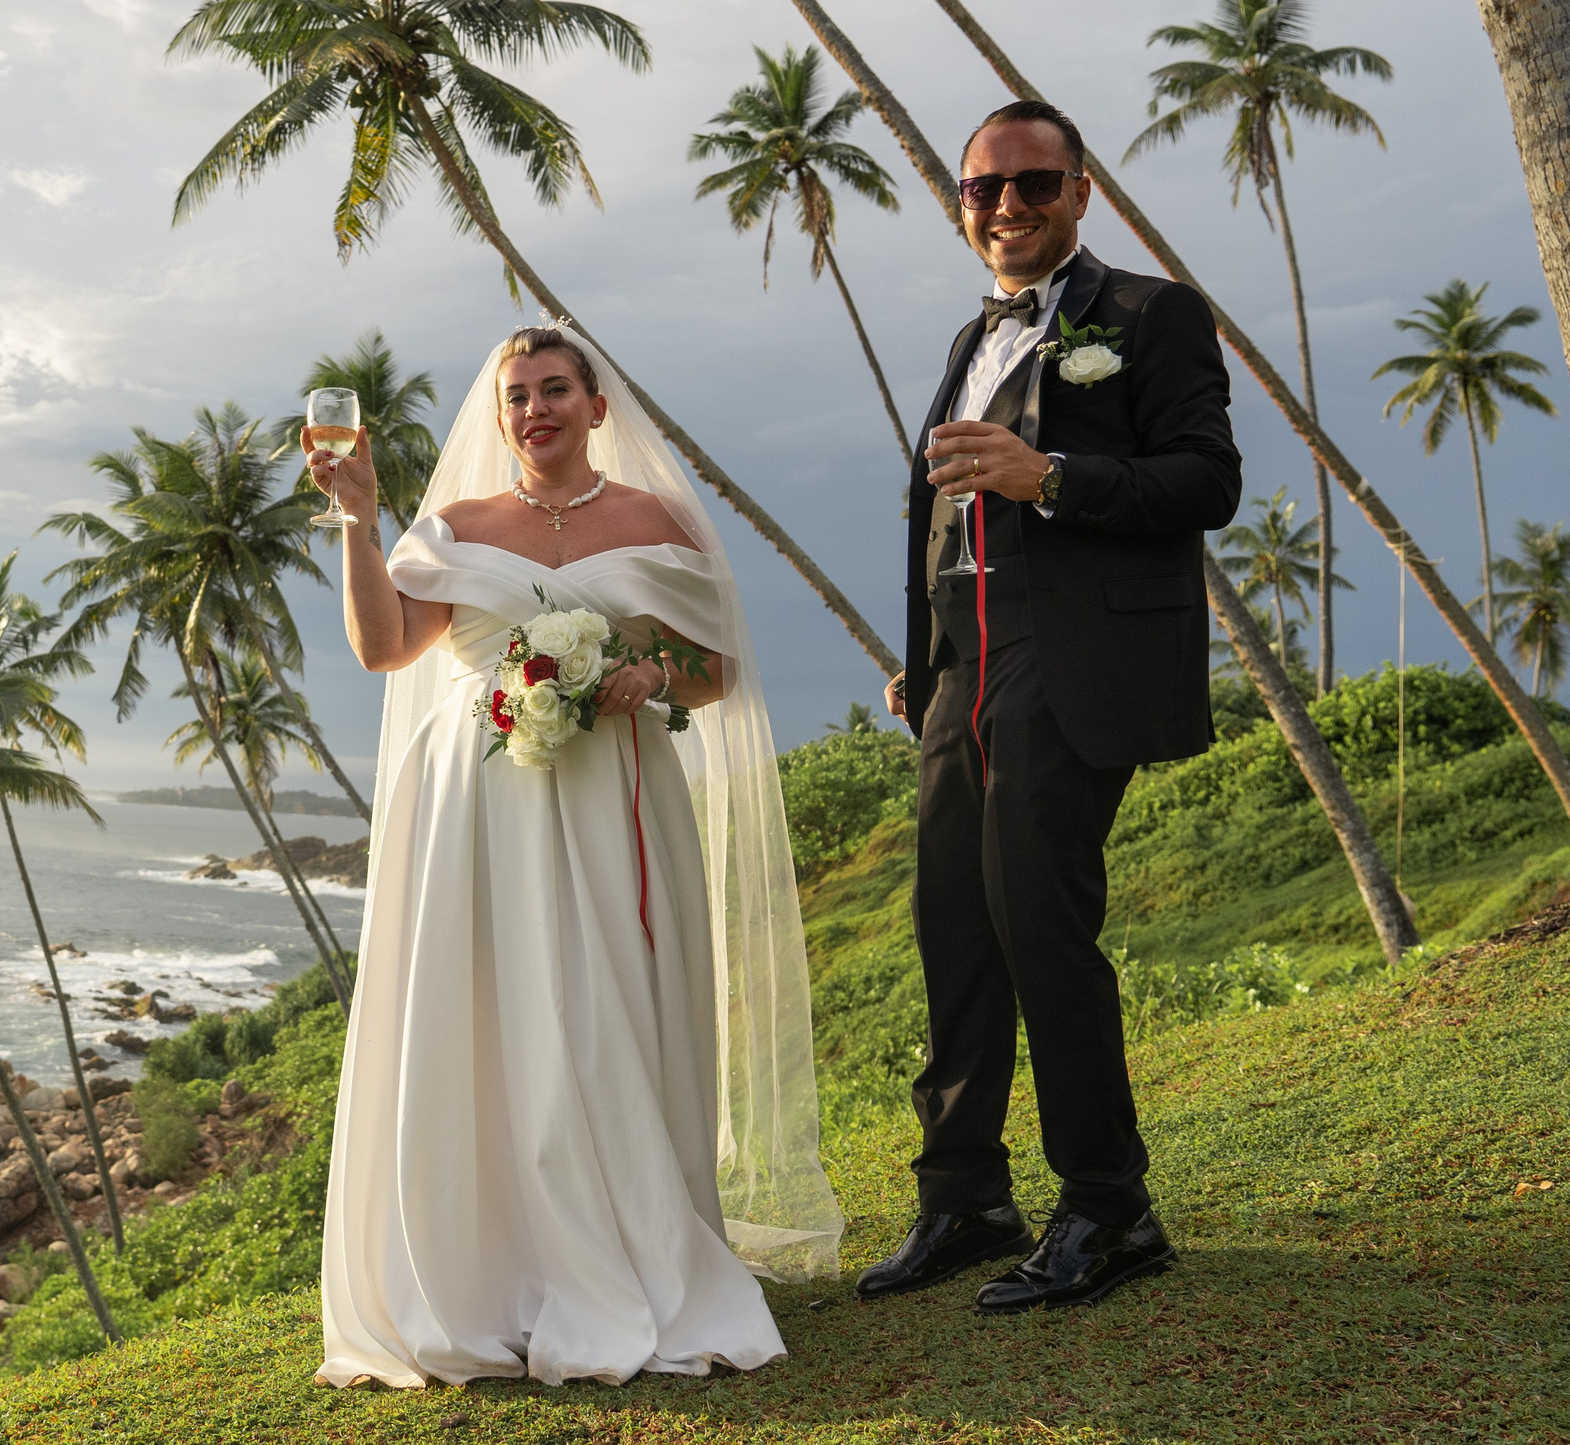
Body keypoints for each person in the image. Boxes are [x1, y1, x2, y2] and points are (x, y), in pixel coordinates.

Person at [309, 324, 839, 1389]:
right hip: (478, 800)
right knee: (491, 1013)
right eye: (516, 395)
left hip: (614, 799)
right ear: (497, 414)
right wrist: (360, 521)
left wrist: (646, 662)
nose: (534, 409)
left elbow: (713, 673)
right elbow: (382, 647)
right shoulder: (454, 523)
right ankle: (493, 1266)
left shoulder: (656, 520)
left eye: (555, 389)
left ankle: (631, 1245)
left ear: (598, 406)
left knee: (607, 1010)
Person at [868, 99, 1240, 1312]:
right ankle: (964, 1197)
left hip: (1069, 665)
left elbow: (1206, 478)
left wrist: (1054, 475)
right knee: (953, 932)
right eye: (985, 189)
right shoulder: (967, 339)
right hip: (961, 673)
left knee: (1039, 926)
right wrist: (924, 664)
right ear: (962, 205)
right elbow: (941, 518)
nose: (1008, 207)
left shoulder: (1149, 314)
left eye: (1034, 184)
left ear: (1080, 190)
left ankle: (1108, 1205)